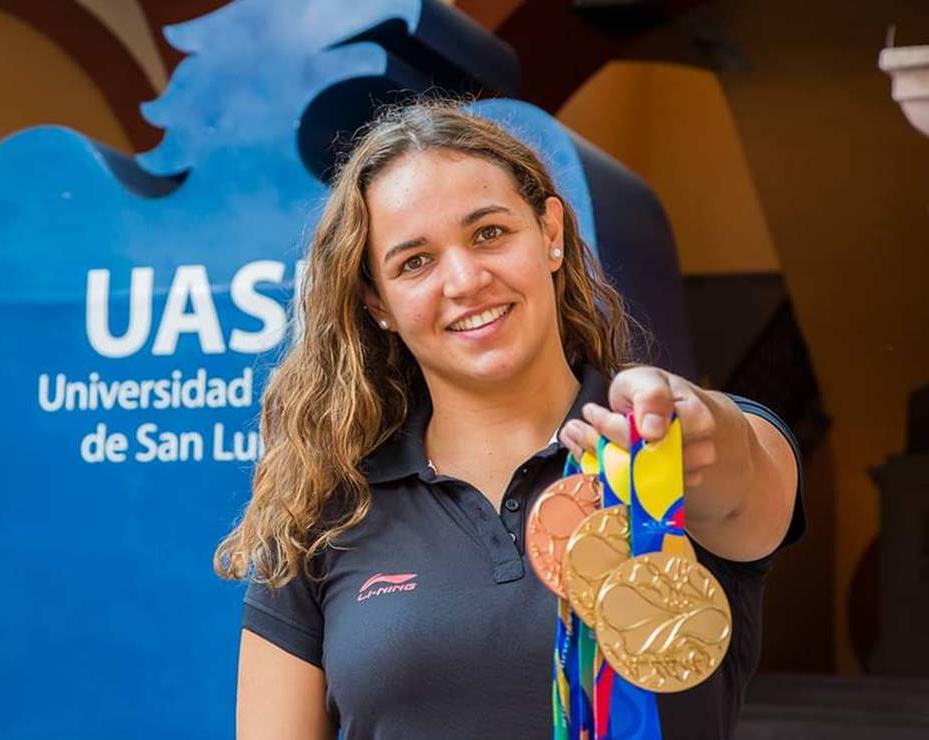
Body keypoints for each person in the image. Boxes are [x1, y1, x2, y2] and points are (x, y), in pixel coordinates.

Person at [214, 100, 803, 740]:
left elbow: (741, 474)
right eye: (415, 262)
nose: (465, 279)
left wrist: (691, 428)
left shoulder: (673, 451)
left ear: (551, 230)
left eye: (489, 233)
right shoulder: (324, 511)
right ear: (377, 302)